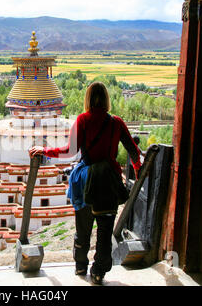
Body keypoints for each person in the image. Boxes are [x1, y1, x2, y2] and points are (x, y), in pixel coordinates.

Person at [29, 82, 142, 285]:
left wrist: (45, 150)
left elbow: (69, 151)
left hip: (84, 180)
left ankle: (80, 265)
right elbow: (133, 151)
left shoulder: (82, 120)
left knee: (83, 227)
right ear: (106, 99)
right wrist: (138, 170)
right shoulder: (116, 123)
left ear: (88, 99)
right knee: (105, 231)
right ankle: (98, 272)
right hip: (107, 181)